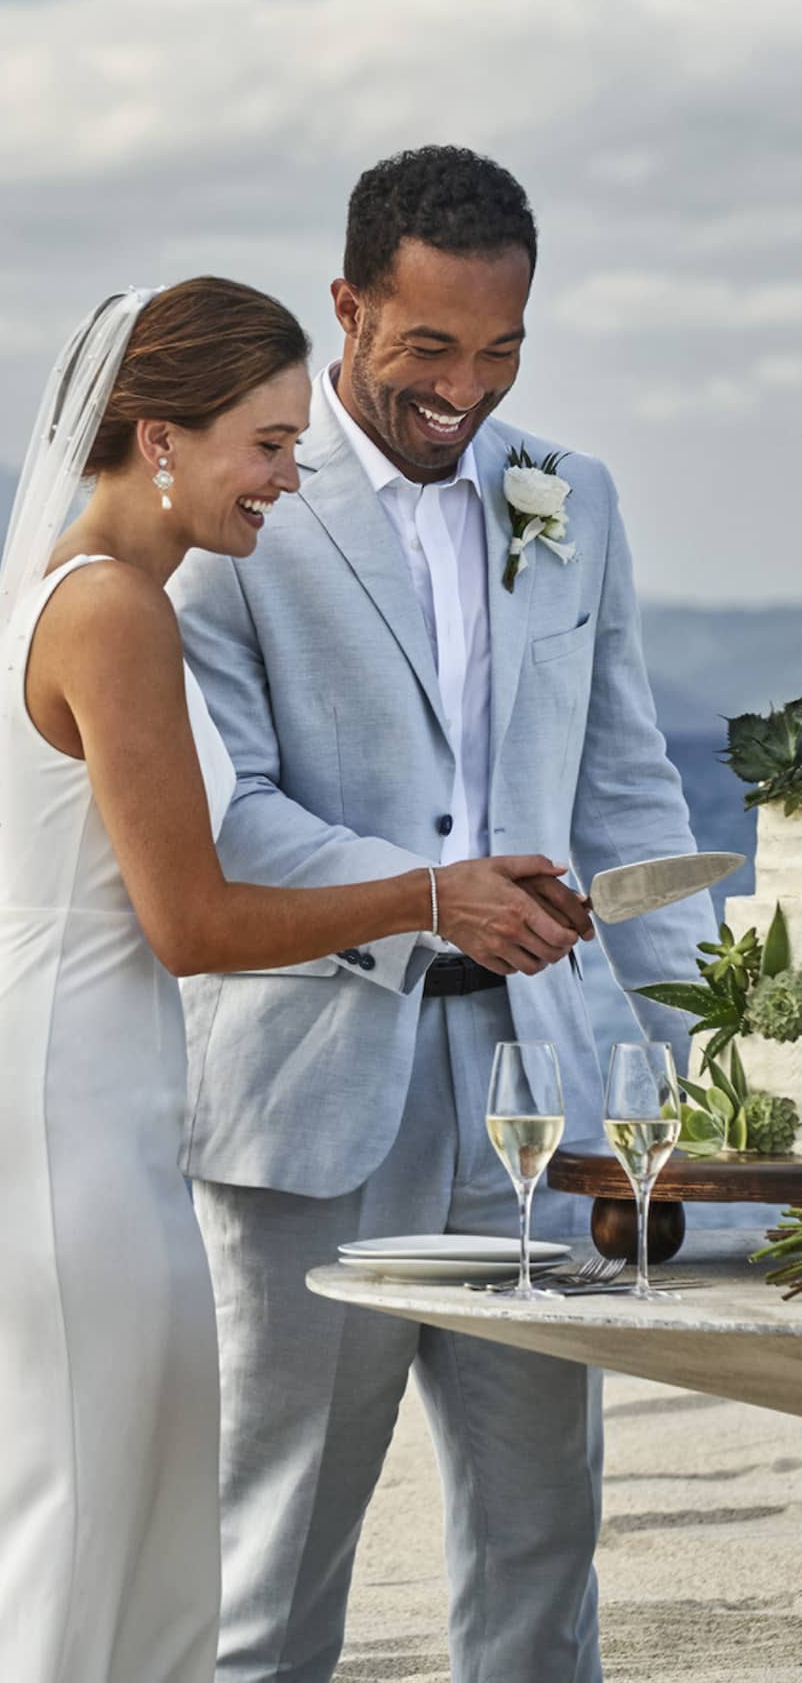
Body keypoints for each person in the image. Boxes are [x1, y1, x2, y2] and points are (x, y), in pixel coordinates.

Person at [0, 274, 586, 1683]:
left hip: (115, 1103)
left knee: (121, 1521)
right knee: (64, 1521)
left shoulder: (116, 596)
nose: (283, 475)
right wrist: (436, 894)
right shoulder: (109, 614)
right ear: (156, 439)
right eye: (262, 442)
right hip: (71, 1123)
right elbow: (188, 922)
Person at [170, 149, 714, 1683]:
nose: (462, 390)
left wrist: (686, 1076)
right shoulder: (243, 498)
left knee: (542, 1547)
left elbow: (623, 798)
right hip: (312, 1088)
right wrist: (433, 905)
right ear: (345, 309)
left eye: (500, 351)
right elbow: (231, 810)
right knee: (270, 1561)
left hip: (538, 1103)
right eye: (426, 348)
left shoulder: (572, 498)